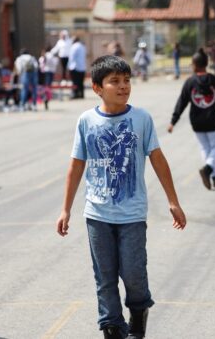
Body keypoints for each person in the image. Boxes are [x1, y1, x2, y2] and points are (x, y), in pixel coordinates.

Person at [56, 55, 186, 339]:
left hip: (132, 215)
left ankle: (138, 311)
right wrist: (65, 209)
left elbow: (158, 158)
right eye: (114, 81)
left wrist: (172, 200)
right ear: (97, 88)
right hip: (97, 214)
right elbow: (76, 165)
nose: (123, 86)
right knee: (104, 277)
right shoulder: (87, 121)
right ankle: (112, 326)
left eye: (126, 81)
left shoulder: (141, 119)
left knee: (133, 273)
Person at [167, 50, 215, 189]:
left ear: (194, 65)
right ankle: (208, 169)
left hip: (196, 121)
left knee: (205, 148)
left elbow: (181, 103)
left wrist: (173, 121)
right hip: (212, 120)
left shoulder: (190, 82)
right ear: (207, 64)